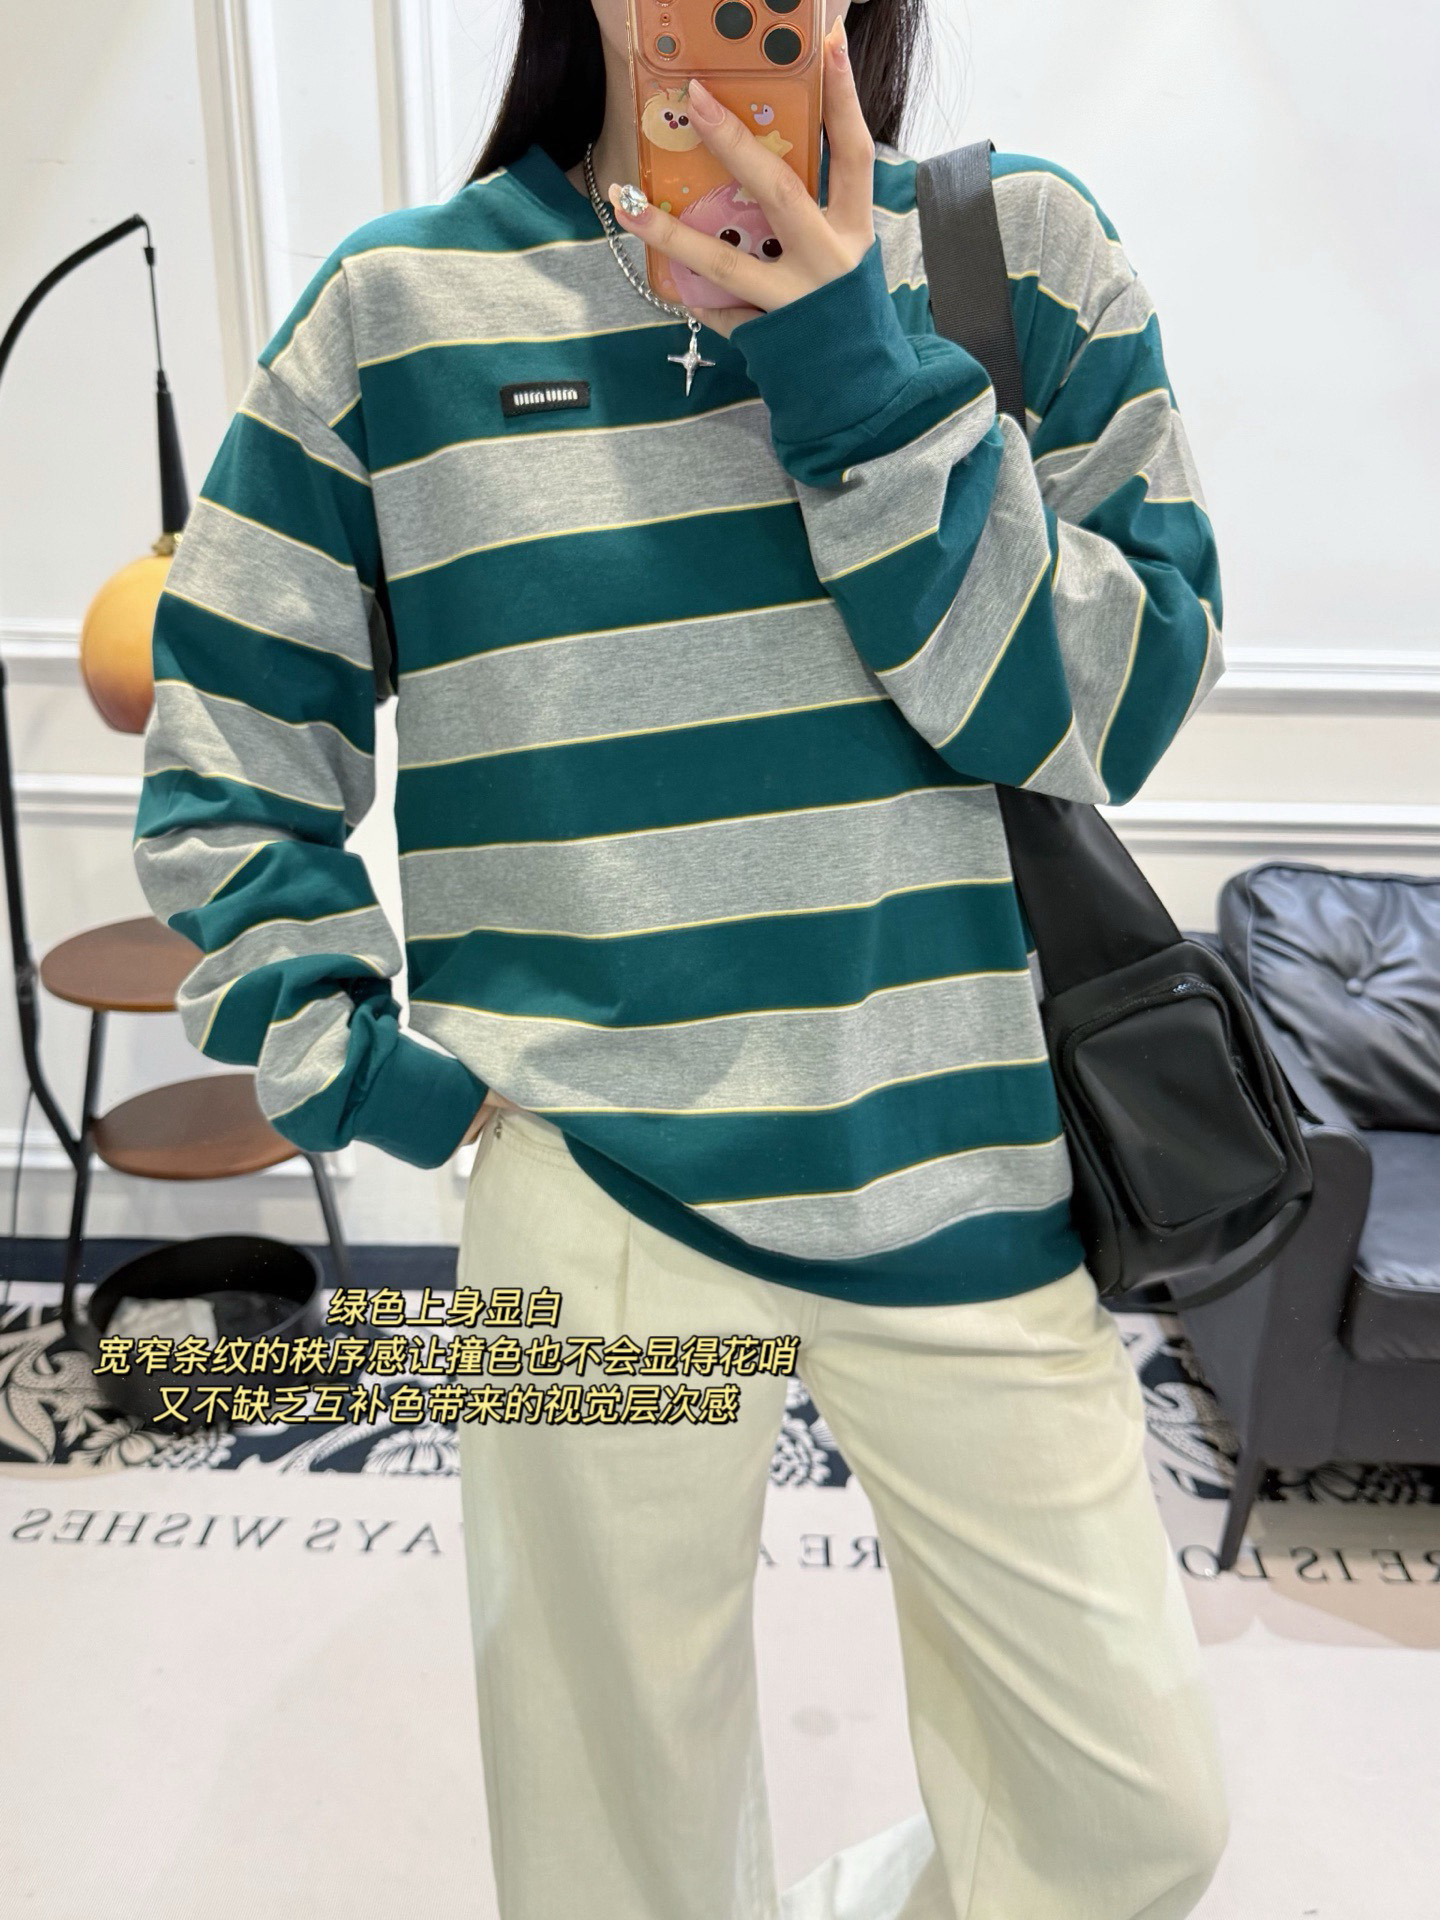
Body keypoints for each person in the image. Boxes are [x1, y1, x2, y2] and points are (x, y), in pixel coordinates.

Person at [133, 0, 1231, 1912]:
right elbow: (228, 747)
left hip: (963, 1168)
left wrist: (858, 375)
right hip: (591, 1194)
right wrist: (367, 1066)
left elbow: (1108, 718)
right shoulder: (395, 315)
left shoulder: (1013, 252)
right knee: (611, 1860)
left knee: (1128, 1822)